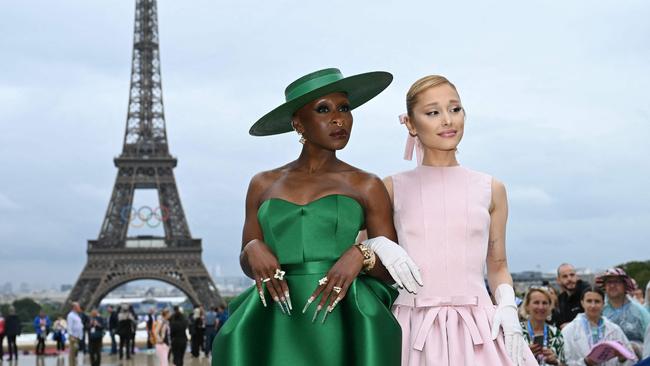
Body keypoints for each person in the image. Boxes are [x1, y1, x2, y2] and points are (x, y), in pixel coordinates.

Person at [212, 68, 422, 366]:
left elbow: (390, 271)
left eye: (345, 108)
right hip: (274, 318)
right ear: (298, 123)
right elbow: (249, 266)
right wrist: (251, 249)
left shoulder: (366, 184)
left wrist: (361, 254)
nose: (339, 118)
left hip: (340, 316)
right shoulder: (262, 183)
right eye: (323, 109)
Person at [386, 74, 536, 365]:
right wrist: (377, 243)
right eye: (433, 112)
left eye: (455, 109)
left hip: (480, 332)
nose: (447, 120)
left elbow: (498, 265)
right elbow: (367, 261)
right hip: (410, 330)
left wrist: (507, 305)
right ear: (411, 124)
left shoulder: (492, 188)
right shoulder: (389, 188)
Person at [562, 286, 636, 366]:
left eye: (597, 301)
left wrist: (622, 359)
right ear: (582, 303)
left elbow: (632, 359)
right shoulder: (569, 331)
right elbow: (563, 361)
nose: (593, 305)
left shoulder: (614, 329)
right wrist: (586, 362)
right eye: (589, 301)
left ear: (603, 304)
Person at [597, 268, 650, 359]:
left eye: (617, 282)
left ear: (625, 285)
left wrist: (635, 348)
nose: (612, 285)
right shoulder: (599, 311)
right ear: (604, 286)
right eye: (609, 282)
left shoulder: (639, 311)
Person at [519, 287, 565, 365]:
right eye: (536, 302)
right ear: (527, 306)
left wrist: (556, 362)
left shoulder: (556, 333)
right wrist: (524, 356)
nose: (541, 307)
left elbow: (563, 363)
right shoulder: (517, 331)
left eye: (544, 303)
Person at [556, 263, 590, 329]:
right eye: (565, 276)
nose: (569, 279)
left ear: (577, 277)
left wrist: (570, 326)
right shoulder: (561, 299)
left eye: (572, 275)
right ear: (559, 280)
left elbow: (593, 318)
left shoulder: (587, 293)